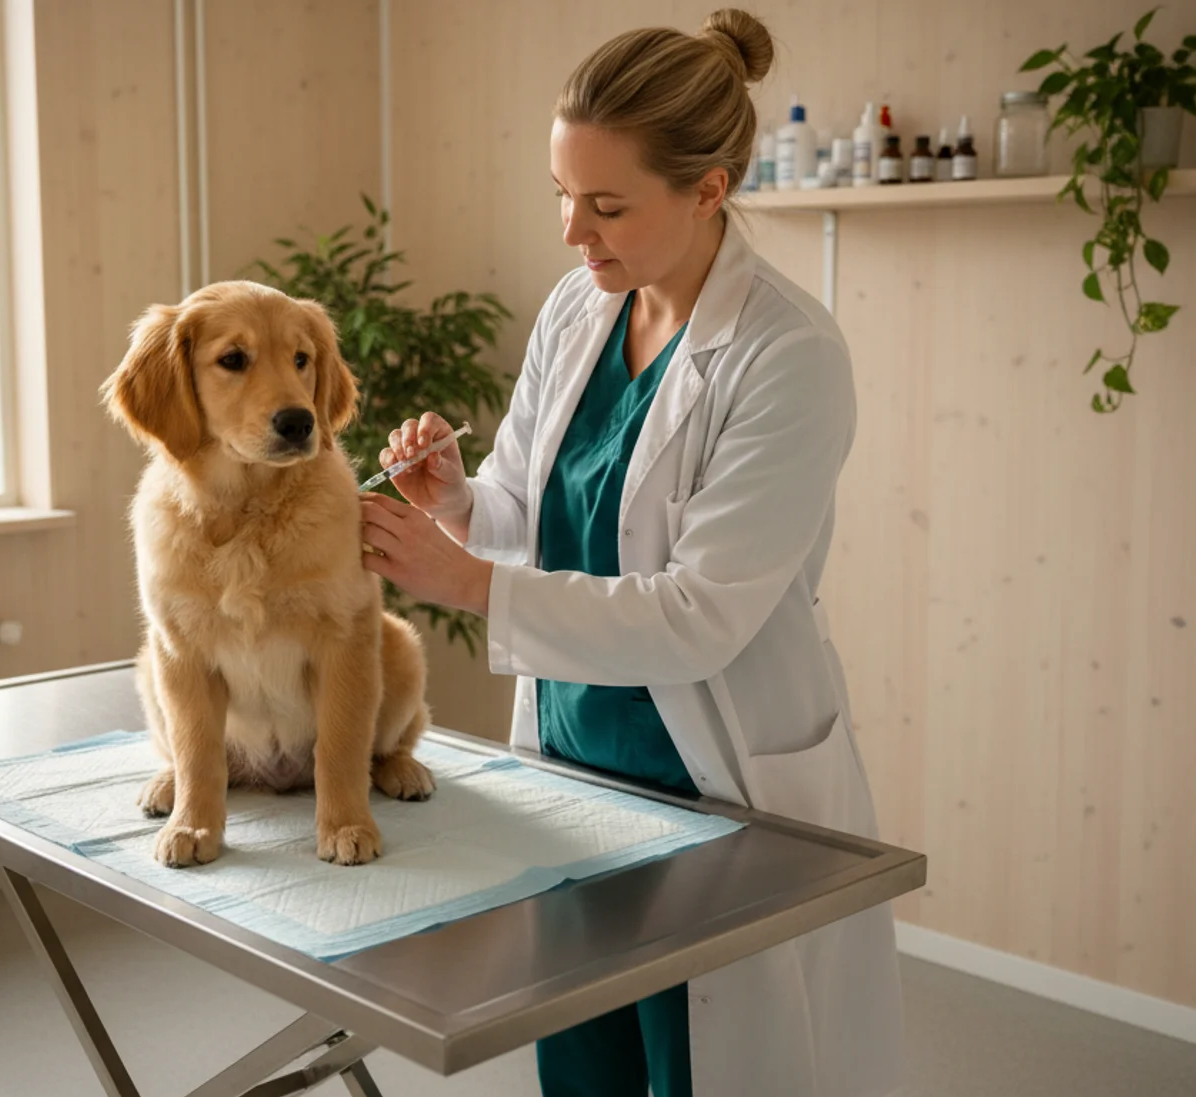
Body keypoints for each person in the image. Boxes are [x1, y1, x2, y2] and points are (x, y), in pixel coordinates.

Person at [356, 9, 904, 1097]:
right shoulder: (578, 307)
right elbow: (533, 508)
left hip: (713, 781)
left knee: (708, 1064)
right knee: (587, 1061)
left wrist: (465, 580)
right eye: (561, 194)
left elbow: (700, 613)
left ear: (708, 188)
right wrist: (459, 501)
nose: (572, 231)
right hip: (574, 767)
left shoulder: (789, 355)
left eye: (606, 205)